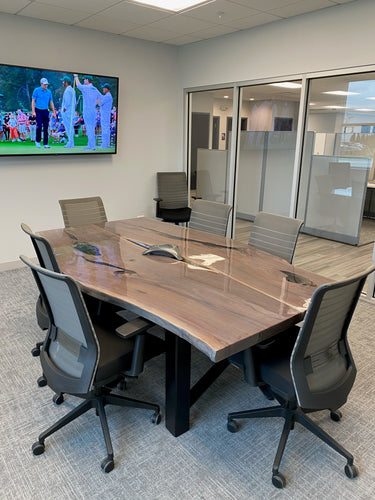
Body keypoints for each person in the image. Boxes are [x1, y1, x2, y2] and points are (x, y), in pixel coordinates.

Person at [73, 74, 100, 150]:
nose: (84, 80)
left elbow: (78, 85)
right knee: (91, 128)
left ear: (87, 80)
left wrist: (76, 76)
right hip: (93, 110)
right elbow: (101, 98)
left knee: (89, 128)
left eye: (84, 79)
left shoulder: (87, 87)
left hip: (88, 110)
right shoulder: (95, 88)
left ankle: (91, 146)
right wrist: (94, 104)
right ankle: (91, 145)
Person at [31, 77, 56, 148]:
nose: (46, 86)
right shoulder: (36, 90)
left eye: (47, 84)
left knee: (46, 127)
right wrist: (33, 111)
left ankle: (45, 143)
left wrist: (54, 112)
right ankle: (37, 141)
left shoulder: (49, 92)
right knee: (39, 126)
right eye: (44, 84)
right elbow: (33, 101)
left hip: (45, 110)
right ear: (41, 84)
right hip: (38, 110)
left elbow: (51, 102)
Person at [61, 76, 76, 148]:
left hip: (67, 112)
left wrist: (64, 109)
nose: (62, 83)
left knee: (68, 128)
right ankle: (71, 142)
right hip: (71, 111)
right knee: (70, 127)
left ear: (66, 82)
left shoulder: (67, 90)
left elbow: (67, 102)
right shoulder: (72, 90)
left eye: (63, 81)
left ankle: (70, 143)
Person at [98, 83, 113, 149]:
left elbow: (100, 103)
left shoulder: (107, 96)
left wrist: (98, 99)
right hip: (106, 114)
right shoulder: (107, 96)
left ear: (107, 89)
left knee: (104, 129)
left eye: (104, 88)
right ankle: (107, 143)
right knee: (106, 129)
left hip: (105, 115)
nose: (103, 89)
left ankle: (105, 144)